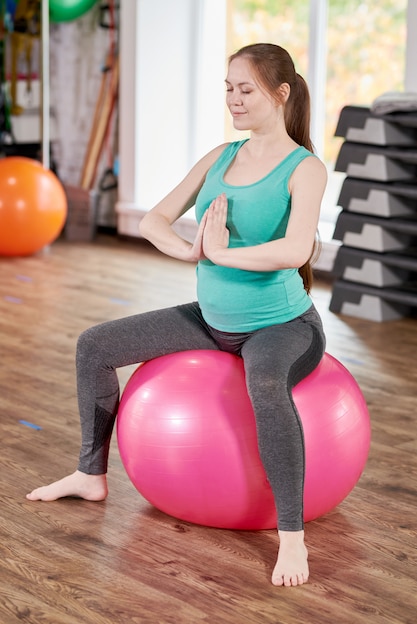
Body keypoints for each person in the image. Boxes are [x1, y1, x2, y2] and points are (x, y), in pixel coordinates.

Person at [26, 43, 327, 588]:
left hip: (282, 326)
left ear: (280, 95)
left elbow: (296, 250)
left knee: (264, 383)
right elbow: (154, 220)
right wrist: (190, 251)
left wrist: (221, 253)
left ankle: (291, 537)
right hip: (211, 320)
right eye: (228, 87)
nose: (233, 99)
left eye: (247, 90)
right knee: (95, 345)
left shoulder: (305, 168)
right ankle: (90, 474)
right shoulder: (220, 157)